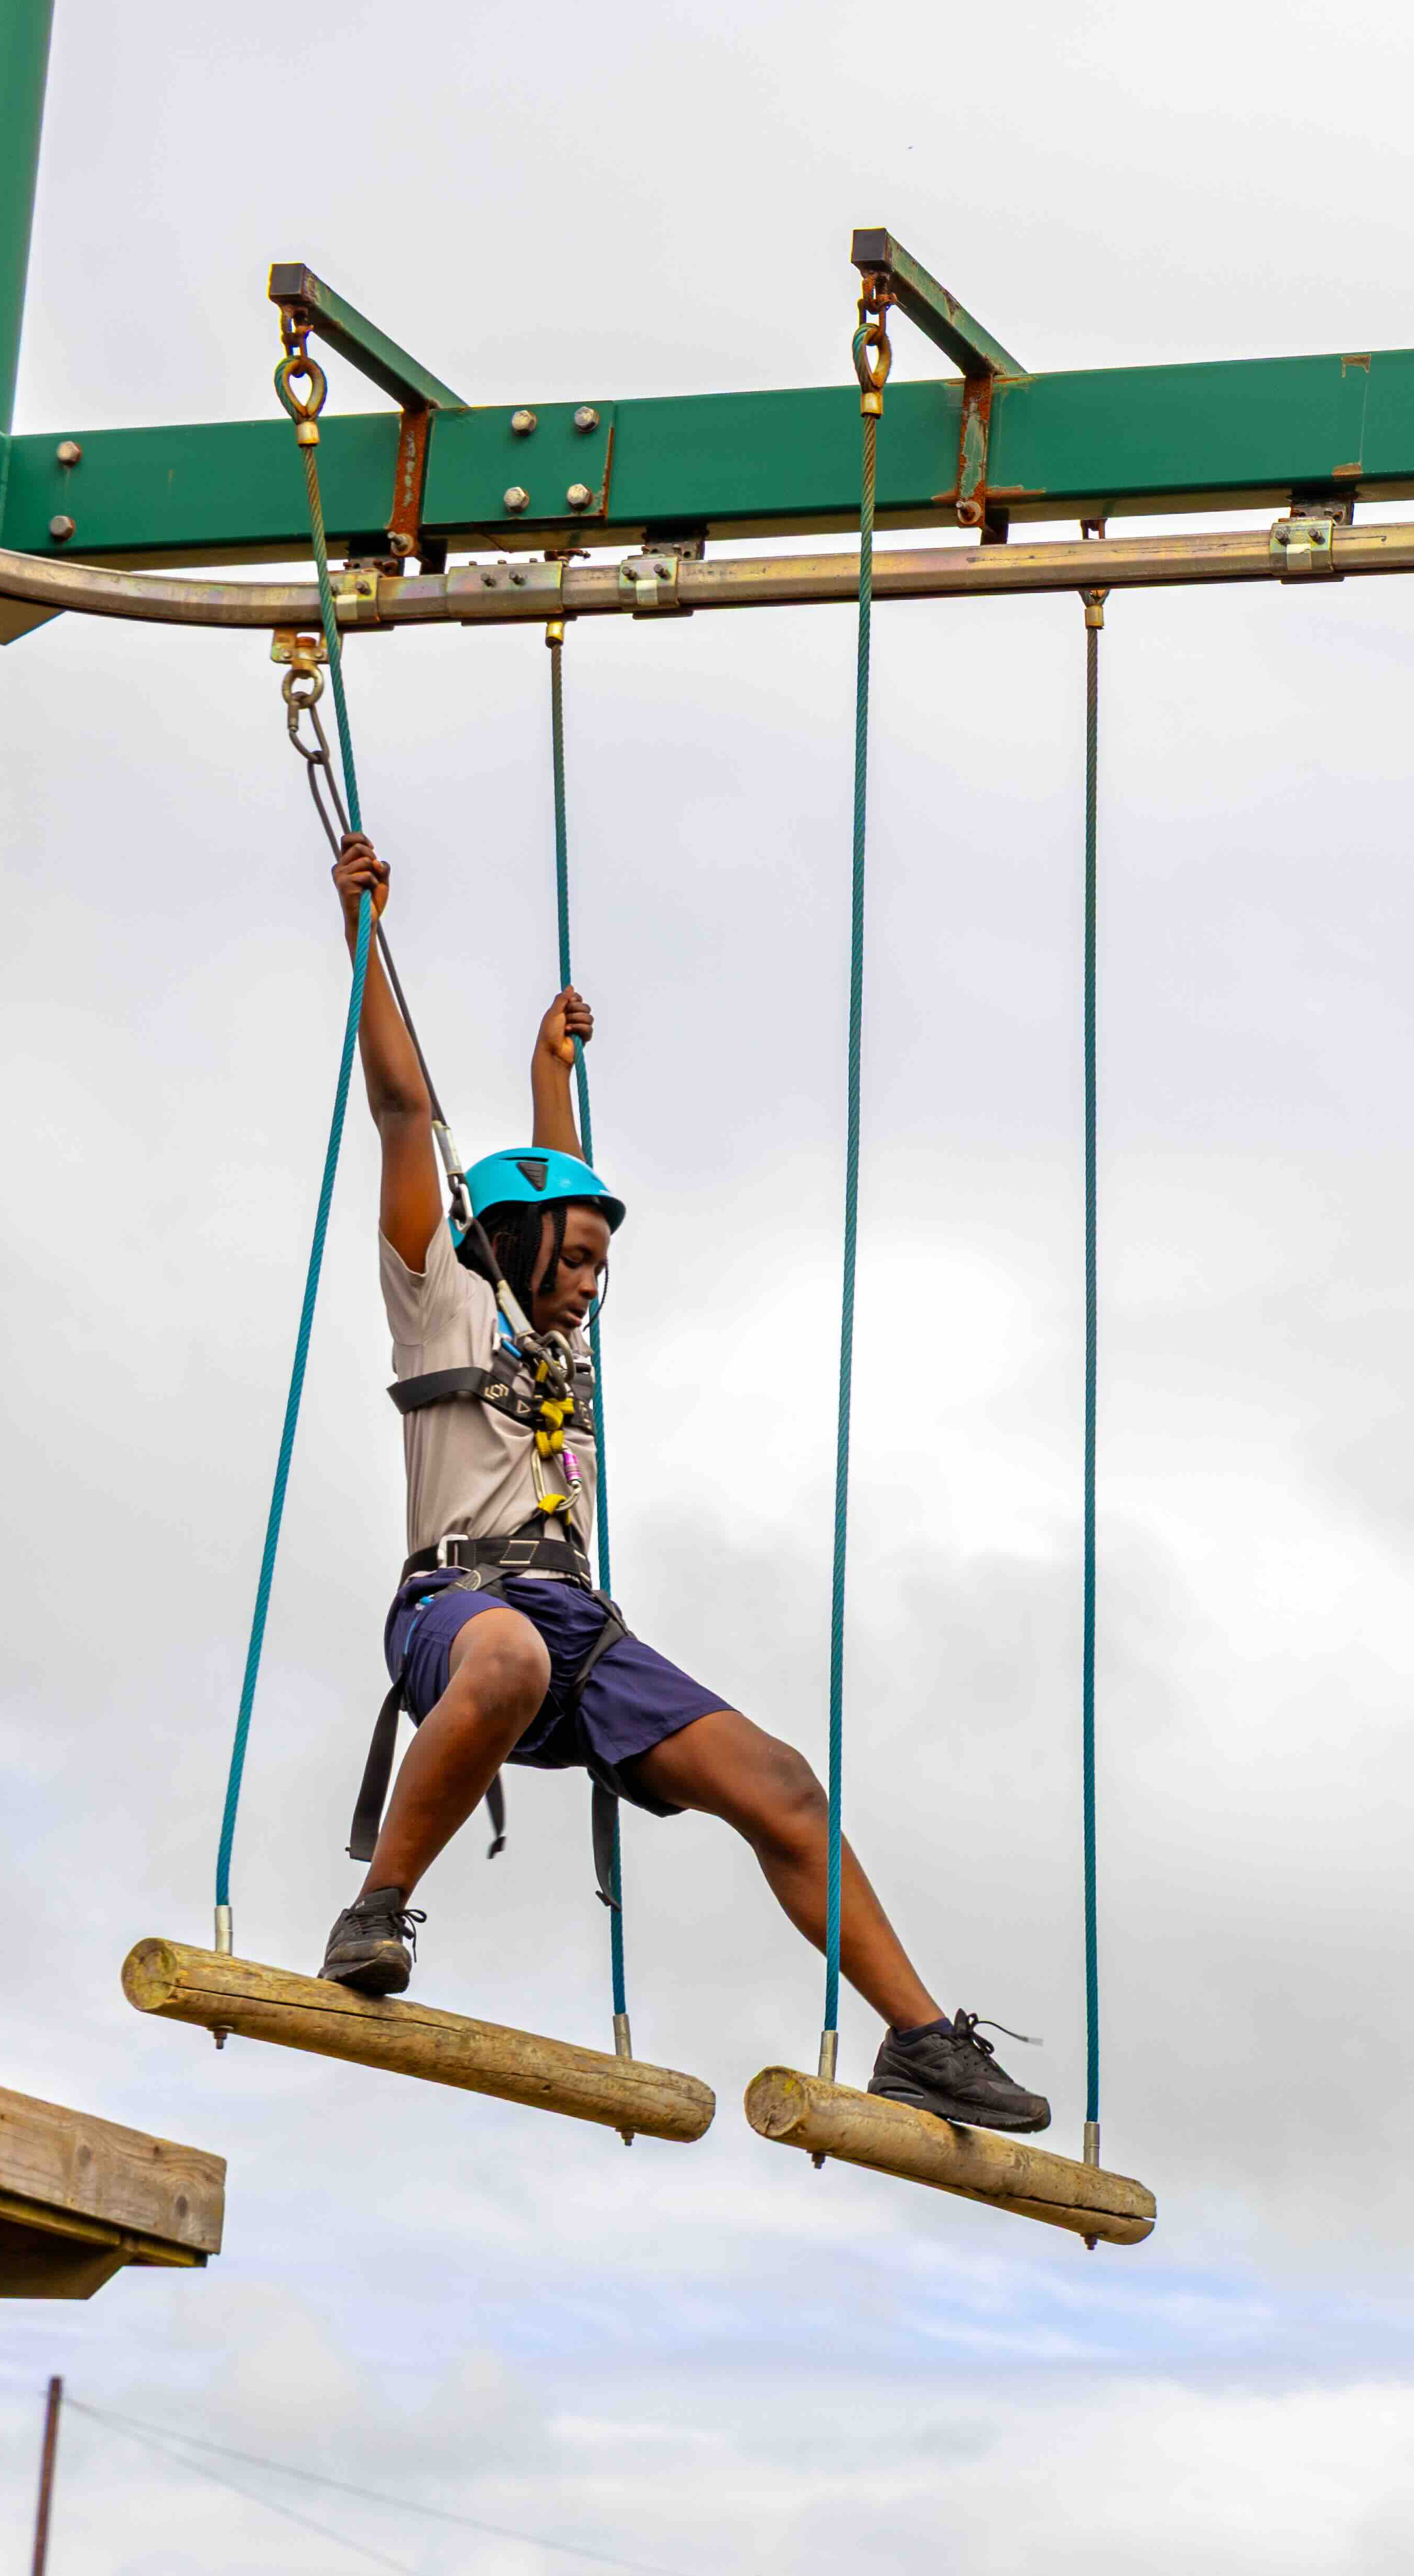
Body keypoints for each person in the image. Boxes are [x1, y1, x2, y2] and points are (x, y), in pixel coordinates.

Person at [313, 833, 1045, 2133]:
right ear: (511, 1244)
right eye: (576, 1257)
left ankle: (921, 2038)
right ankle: (377, 1909)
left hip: (580, 1628)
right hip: (458, 1611)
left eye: (601, 1263)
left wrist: (554, 1075)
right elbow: (405, 1113)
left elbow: (560, 1183)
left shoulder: (557, 1341)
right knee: (505, 1669)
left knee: (783, 1785)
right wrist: (368, 935)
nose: (592, 1280)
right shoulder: (437, 1299)